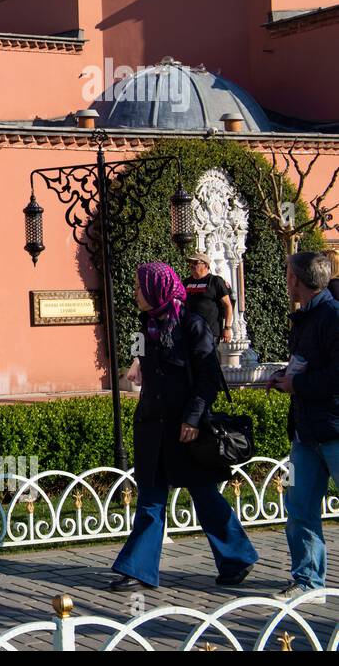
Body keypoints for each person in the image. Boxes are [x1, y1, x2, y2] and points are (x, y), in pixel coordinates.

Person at [109, 262, 258, 591]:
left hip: (185, 429)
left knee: (204, 495)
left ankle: (236, 557)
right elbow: (140, 360)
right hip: (152, 428)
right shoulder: (144, 325)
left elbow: (209, 379)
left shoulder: (193, 325)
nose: (135, 293)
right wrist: (135, 367)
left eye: (139, 287)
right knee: (150, 498)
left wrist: (193, 418)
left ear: (155, 289)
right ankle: (139, 570)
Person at [265, 252, 339, 601]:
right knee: (299, 508)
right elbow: (306, 366)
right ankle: (308, 581)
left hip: (334, 430)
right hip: (305, 435)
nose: (286, 281)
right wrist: (286, 378)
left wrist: (299, 385)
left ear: (297, 279)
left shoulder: (332, 316)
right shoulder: (304, 319)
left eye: (287, 275)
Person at [184, 251, 235, 348]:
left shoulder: (215, 281)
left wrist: (227, 328)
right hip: (190, 330)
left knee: (207, 361)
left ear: (206, 265)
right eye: (190, 263)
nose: (191, 265)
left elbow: (228, 305)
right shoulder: (186, 282)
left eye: (195, 263)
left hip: (209, 331)